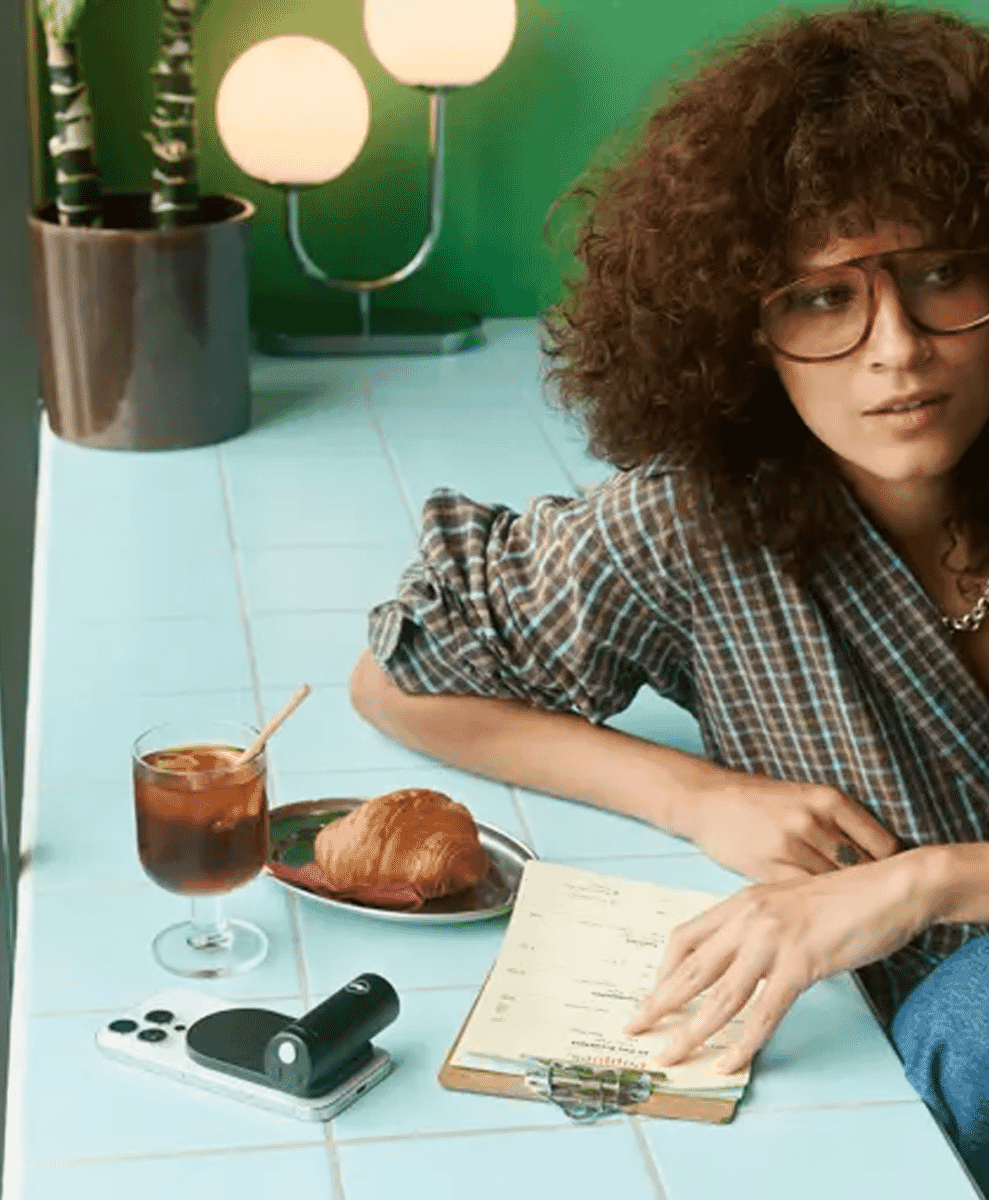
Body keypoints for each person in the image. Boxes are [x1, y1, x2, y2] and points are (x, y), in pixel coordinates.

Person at [349, 2, 989, 1187]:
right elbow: (404, 676)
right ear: (737, 332)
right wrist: (693, 795)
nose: (895, 349)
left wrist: (924, 885)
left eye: (941, 274)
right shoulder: (693, 526)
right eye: (820, 299)